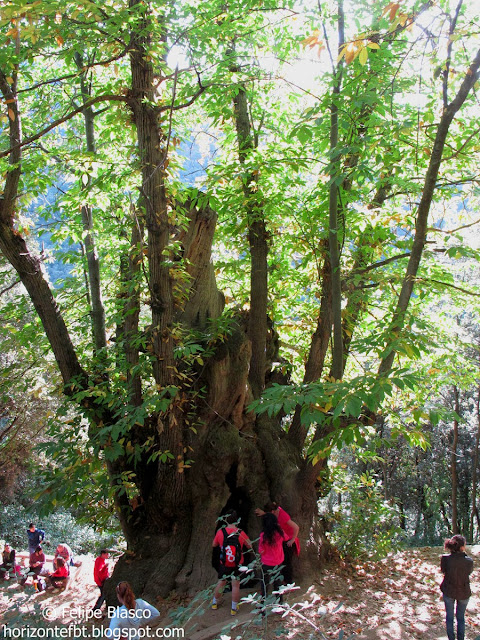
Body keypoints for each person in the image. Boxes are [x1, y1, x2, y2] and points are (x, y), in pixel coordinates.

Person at [211, 511, 251, 616]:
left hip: (224, 563)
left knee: (221, 582)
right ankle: (234, 608)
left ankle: (214, 603)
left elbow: (214, 544)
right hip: (237, 564)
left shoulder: (221, 532)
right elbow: (249, 545)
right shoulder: (240, 533)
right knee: (235, 586)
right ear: (237, 520)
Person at [255, 501, 300, 583]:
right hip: (281, 539)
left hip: (288, 540)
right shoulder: (275, 512)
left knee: (287, 563)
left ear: (272, 512)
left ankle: (288, 583)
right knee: (282, 562)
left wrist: (293, 539)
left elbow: (296, 527)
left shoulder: (283, 516)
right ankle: (282, 582)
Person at [440, 534, 473, 640]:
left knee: (449, 617)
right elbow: (469, 572)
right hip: (464, 592)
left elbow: (443, 571)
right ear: (462, 547)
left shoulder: (445, 559)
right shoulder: (469, 561)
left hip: (448, 590)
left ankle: (451, 638)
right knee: (461, 618)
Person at [258, 513, 289, 612]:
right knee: (277, 584)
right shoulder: (280, 533)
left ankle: (262, 606)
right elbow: (287, 538)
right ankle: (279, 604)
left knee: (264, 584)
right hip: (277, 563)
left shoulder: (263, 535)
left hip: (266, 563)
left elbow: (261, 551)